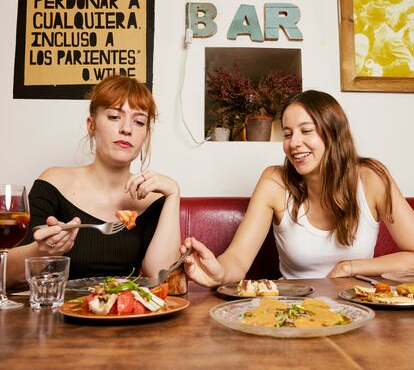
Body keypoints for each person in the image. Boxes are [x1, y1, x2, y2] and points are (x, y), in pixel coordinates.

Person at [182, 90, 414, 285]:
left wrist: (351, 267)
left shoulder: (372, 178)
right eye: (287, 133)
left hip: (357, 308)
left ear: (333, 133)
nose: (293, 143)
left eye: (306, 131)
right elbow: (238, 259)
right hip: (292, 310)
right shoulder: (274, 181)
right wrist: (218, 273)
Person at [7, 75, 181, 286]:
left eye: (139, 121)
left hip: (125, 313)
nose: (127, 129)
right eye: (115, 117)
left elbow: (161, 276)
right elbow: (6, 273)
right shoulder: (52, 182)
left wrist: (173, 193)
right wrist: (42, 250)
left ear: (145, 134)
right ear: (92, 125)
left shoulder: (152, 199)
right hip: (57, 313)